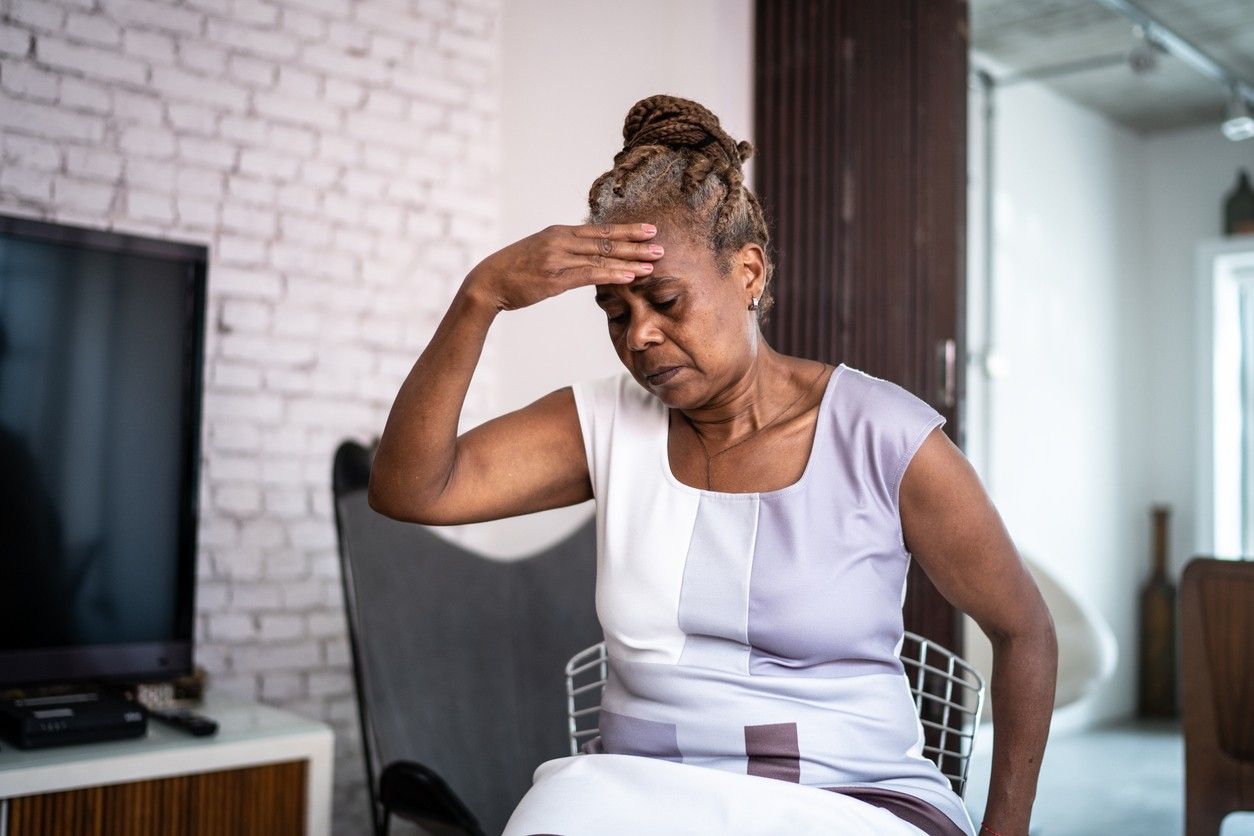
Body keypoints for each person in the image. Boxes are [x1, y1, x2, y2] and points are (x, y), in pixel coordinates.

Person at [369, 94, 1057, 836]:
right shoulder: (604, 424)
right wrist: (483, 295)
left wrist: (1005, 830)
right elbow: (409, 489)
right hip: (636, 794)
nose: (640, 337)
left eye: (665, 300)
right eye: (615, 312)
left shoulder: (882, 437)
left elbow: (1025, 633)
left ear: (749, 272)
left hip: (847, 801)